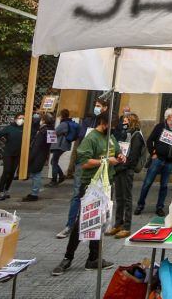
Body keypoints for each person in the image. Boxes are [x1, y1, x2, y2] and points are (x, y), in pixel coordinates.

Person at [51, 112, 118, 276]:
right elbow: (85, 162)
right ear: (103, 122)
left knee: (100, 221)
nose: (113, 128)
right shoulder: (91, 138)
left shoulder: (110, 137)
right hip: (91, 186)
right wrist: (106, 161)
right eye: (111, 125)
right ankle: (68, 258)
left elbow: (114, 152)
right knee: (83, 221)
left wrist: (119, 156)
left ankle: (93, 258)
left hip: (106, 185)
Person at [135, 107, 172, 217]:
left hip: (169, 162)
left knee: (164, 185)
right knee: (147, 183)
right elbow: (150, 140)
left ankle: (159, 207)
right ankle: (140, 205)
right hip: (158, 159)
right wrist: (153, 154)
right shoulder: (160, 127)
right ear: (169, 116)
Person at [110, 113, 144, 238]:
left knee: (127, 198)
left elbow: (133, 157)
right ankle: (118, 224)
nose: (124, 122)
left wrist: (121, 166)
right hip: (119, 168)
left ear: (132, 122)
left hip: (126, 170)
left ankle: (127, 227)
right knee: (119, 197)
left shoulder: (136, 136)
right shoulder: (125, 134)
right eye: (123, 120)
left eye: (126, 120)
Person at [0, 112, 26, 200]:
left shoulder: (25, 129)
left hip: (18, 154)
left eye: (23, 118)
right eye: (20, 118)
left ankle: (6, 190)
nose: (22, 120)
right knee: (6, 171)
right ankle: (1, 191)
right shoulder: (9, 128)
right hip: (8, 153)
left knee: (12, 173)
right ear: (16, 119)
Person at [22, 113, 55, 202]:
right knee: (37, 174)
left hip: (38, 155)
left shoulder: (42, 131)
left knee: (36, 174)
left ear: (43, 121)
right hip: (44, 154)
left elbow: (36, 146)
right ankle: (34, 192)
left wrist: (30, 157)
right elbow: (50, 143)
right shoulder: (51, 130)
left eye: (41, 119)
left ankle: (34, 194)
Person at [50, 109, 78, 187]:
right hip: (63, 145)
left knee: (54, 162)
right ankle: (61, 176)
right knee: (53, 161)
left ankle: (54, 180)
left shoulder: (63, 124)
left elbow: (55, 132)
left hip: (59, 145)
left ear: (61, 115)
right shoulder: (67, 122)